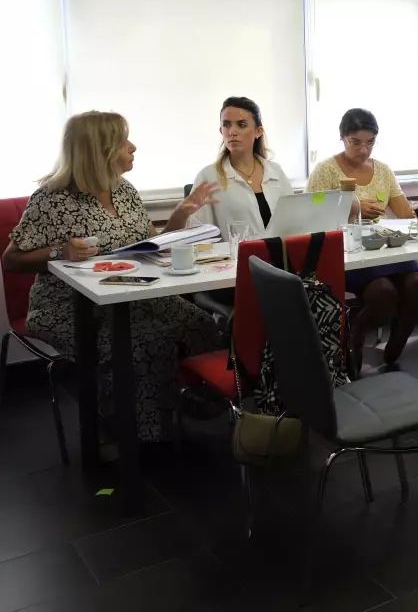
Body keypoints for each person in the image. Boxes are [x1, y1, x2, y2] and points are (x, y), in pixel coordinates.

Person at [2, 112, 220, 441]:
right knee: (137, 341)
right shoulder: (51, 200)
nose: (133, 147)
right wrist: (62, 251)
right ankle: (131, 434)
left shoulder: (124, 190)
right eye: (123, 142)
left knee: (199, 323)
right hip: (66, 305)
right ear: (99, 149)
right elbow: (11, 260)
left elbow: (151, 245)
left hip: (133, 292)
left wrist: (180, 214)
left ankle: (182, 408)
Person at [308, 108, 418, 373]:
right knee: (383, 293)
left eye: (370, 142)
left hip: (387, 249)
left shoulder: (382, 171)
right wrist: (352, 207)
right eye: (356, 142)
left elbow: (405, 214)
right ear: (342, 137)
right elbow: (310, 215)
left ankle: (395, 347)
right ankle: (355, 336)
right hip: (352, 252)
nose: (363, 150)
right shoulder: (325, 170)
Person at [189, 97, 293, 237]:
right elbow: (198, 237)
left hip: (279, 256)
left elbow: (293, 224)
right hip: (233, 258)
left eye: (241, 125)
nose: (232, 131)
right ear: (221, 131)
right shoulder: (208, 176)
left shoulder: (275, 172)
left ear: (258, 131)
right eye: (226, 125)